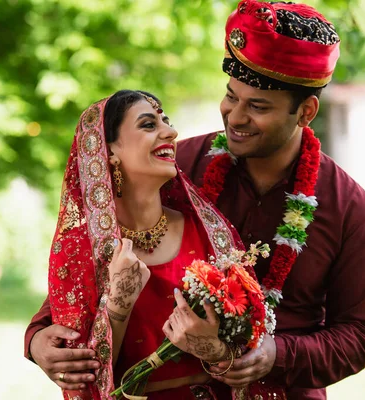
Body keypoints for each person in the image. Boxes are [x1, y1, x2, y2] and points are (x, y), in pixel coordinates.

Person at [25, 1, 365, 399]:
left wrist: (274, 354)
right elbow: (100, 260)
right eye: (231, 96)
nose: (234, 116)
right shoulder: (177, 168)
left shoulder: (350, 208)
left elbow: (361, 336)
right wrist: (39, 338)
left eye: (258, 106)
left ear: (306, 111)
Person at [45, 88, 272, 400]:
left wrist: (215, 348)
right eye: (149, 125)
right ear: (108, 149)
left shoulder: (207, 229)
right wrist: (118, 304)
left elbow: (245, 347)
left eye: (166, 121)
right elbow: (82, 379)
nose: (171, 132)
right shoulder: (79, 247)